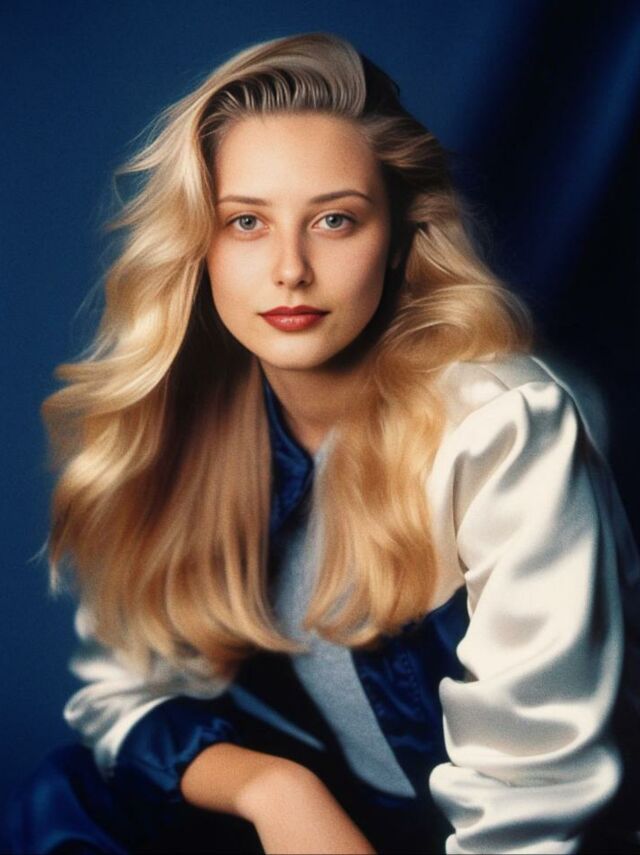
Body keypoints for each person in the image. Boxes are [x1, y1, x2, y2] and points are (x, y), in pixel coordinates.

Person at [3, 30, 640, 855]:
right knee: (67, 799)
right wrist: (274, 789)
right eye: (246, 222)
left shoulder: (502, 426)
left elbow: (540, 804)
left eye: (335, 220)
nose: (290, 268)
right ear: (198, 245)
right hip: (346, 821)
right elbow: (121, 693)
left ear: (401, 235)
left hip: (504, 837)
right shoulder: (187, 423)